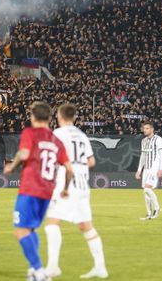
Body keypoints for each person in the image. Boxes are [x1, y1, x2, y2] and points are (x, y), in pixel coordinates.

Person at [4, 101, 74, 281]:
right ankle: (33, 271)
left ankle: (40, 272)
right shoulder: (57, 141)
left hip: (30, 188)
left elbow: (25, 154)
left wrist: (11, 166)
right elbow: (69, 169)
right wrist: (65, 188)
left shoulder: (30, 133)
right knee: (31, 229)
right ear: (50, 118)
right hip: (47, 192)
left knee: (20, 230)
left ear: (32, 117)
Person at [44, 103, 108, 279]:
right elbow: (92, 162)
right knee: (86, 226)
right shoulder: (81, 135)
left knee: (51, 223)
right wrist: (78, 165)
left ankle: (52, 267)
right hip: (82, 184)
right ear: (74, 118)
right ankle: (100, 267)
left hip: (67, 182)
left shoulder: (57, 134)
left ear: (59, 116)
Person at [135, 121, 162, 220]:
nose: (145, 130)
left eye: (147, 128)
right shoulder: (143, 141)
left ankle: (157, 208)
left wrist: (161, 168)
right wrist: (139, 170)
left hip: (154, 168)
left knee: (147, 189)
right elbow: (143, 156)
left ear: (152, 129)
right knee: (146, 192)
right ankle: (149, 213)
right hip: (146, 169)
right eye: (144, 128)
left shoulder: (158, 140)